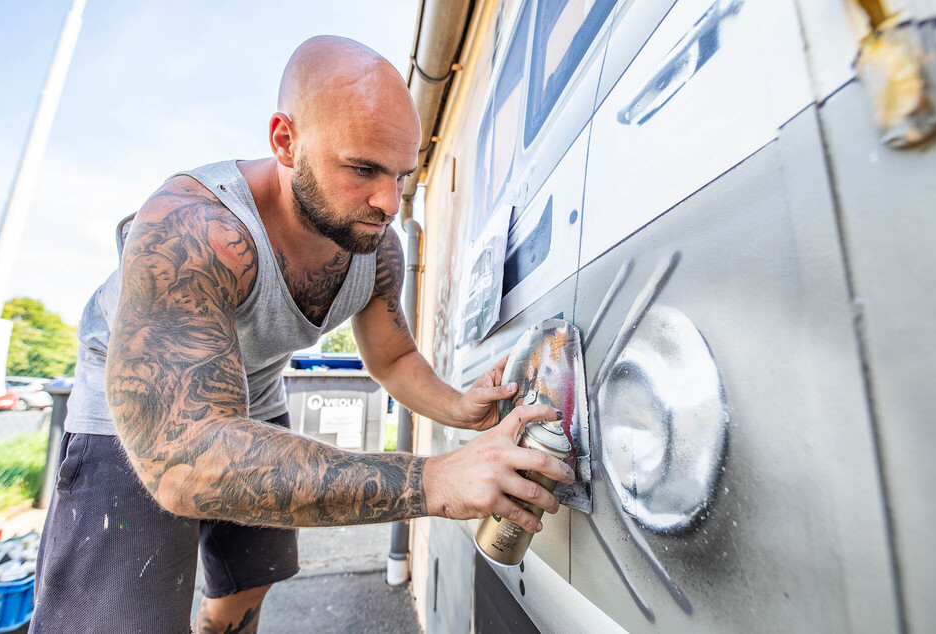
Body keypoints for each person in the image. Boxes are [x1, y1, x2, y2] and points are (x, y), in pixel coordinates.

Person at [31, 36, 574, 633]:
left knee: (248, 583)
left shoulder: (377, 249)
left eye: (402, 175)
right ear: (286, 142)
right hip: (142, 413)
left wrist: (459, 406)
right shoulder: (192, 227)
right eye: (364, 169)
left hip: (255, 400)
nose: (388, 201)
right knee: (122, 621)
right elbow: (182, 460)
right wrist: (435, 480)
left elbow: (392, 358)